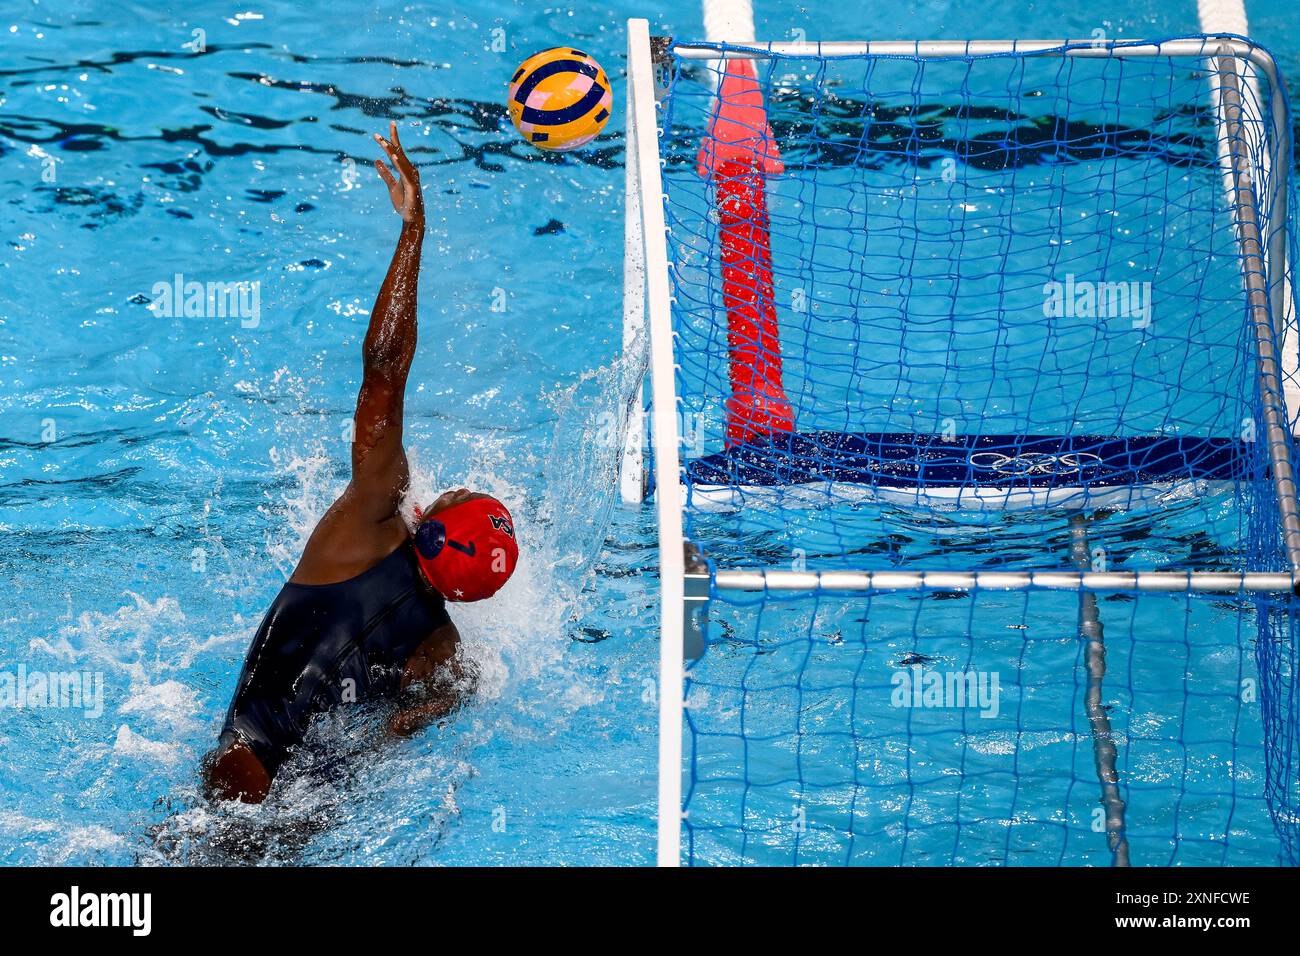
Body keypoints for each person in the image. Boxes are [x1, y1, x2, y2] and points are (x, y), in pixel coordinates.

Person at [203, 123, 518, 803]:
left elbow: (384, 368)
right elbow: (396, 735)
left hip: (244, 767)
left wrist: (413, 230)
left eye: (460, 493)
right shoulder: (449, 659)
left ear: (432, 526)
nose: (456, 483)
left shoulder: (373, 518)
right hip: (318, 805)